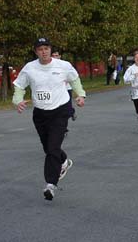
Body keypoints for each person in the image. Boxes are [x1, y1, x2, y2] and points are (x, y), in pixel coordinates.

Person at [12, 37, 86, 201]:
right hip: (40, 114)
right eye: (40, 49)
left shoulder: (63, 66)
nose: (44, 51)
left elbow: (74, 80)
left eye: (46, 48)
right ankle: (64, 161)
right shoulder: (30, 68)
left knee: (52, 147)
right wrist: (17, 101)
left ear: (51, 50)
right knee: (48, 148)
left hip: (59, 111)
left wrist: (80, 95)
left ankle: (50, 185)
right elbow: (19, 85)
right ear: (36, 51)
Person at [51, 47, 77, 121]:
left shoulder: (65, 65)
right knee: (58, 109)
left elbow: (73, 77)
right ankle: (62, 127)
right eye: (53, 56)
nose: (55, 58)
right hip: (55, 90)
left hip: (67, 88)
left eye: (57, 56)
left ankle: (71, 112)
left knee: (67, 106)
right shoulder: (49, 66)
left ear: (60, 56)